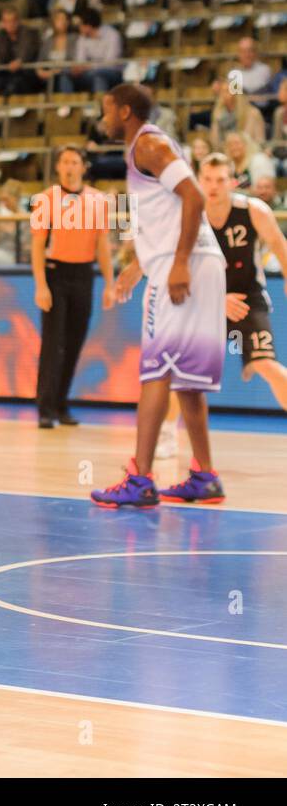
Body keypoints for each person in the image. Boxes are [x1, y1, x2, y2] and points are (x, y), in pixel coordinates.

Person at [91, 84, 227, 508]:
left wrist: (180, 262)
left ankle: (140, 479)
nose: (103, 118)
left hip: (182, 263)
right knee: (184, 377)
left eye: (107, 110)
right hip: (191, 260)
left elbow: (193, 197)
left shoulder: (146, 145)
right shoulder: (149, 145)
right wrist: (137, 268)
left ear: (125, 111)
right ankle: (204, 475)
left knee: (154, 372)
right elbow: (167, 216)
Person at [30, 146, 117, 428]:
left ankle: (61, 404)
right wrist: (41, 286)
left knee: (74, 343)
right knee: (53, 343)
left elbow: (103, 245)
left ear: (83, 167)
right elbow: (37, 246)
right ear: (57, 167)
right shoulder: (45, 199)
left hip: (84, 275)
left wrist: (109, 283)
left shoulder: (98, 200)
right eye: (64, 162)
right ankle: (45, 407)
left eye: (74, 162)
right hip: (56, 273)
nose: (69, 167)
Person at [200, 153, 287, 411]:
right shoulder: (190, 215)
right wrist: (217, 300)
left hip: (246, 298)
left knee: (265, 363)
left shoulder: (253, 211)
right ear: (198, 180)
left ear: (233, 182)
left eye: (220, 179)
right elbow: (182, 270)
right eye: (207, 179)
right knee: (183, 371)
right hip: (205, 300)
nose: (213, 186)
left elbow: (279, 245)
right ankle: (168, 432)